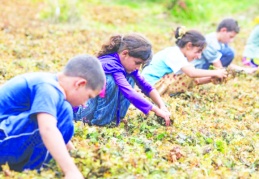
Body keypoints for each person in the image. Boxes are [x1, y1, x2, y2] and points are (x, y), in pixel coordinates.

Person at [0, 54, 105, 179]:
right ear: (80, 84)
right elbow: (48, 129)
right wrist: (71, 171)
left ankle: (30, 170)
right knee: (59, 114)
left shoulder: (50, 85)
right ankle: (31, 171)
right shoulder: (48, 88)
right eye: (88, 97)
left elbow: (59, 130)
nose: (84, 104)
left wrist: (75, 154)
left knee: (64, 112)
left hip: (8, 138)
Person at [73, 33, 171, 126]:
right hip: (82, 112)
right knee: (110, 81)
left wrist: (161, 105)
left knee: (130, 77)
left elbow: (146, 87)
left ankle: (113, 119)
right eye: (137, 63)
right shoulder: (110, 64)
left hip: (93, 110)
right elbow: (129, 92)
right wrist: (156, 110)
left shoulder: (126, 66)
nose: (138, 67)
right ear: (125, 54)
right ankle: (100, 122)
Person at [141, 26, 228, 96]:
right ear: (189, 46)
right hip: (149, 87)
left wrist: (211, 78)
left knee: (188, 74)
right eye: (198, 52)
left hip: (153, 86)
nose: (199, 56)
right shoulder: (174, 53)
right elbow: (191, 74)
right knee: (188, 74)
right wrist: (215, 73)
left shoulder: (180, 56)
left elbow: (194, 79)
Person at [192, 18, 257, 74]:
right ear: (223, 30)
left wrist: (245, 70)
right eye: (230, 37)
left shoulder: (221, 43)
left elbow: (225, 64)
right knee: (229, 52)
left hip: (209, 66)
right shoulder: (210, 41)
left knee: (229, 51)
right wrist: (223, 75)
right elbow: (218, 65)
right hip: (199, 68)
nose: (231, 40)